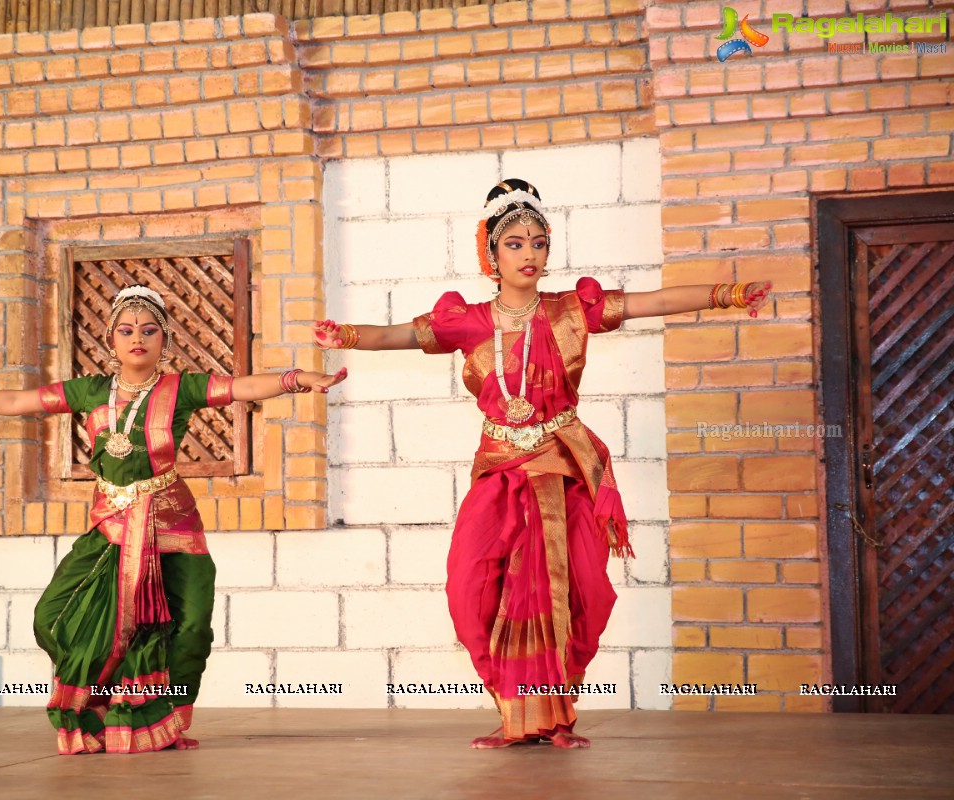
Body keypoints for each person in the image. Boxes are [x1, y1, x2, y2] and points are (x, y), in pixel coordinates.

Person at [315, 179, 771, 749]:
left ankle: (553, 720)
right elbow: (404, 334)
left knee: (574, 588)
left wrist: (724, 295)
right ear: (490, 253)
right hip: (501, 471)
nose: (529, 254)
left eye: (538, 242)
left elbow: (652, 302)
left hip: (562, 466)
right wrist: (349, 336)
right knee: (471, 587)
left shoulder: (571, 311)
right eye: (514, 244)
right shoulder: (471, 320)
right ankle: (515, 713)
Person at [0, 285, 347, 754]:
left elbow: (245, 387)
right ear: (111, 340)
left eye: (150, 331)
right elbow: (17, 402)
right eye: (128, 330)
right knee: (55, 616)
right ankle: (96, 709)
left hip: (171, 523)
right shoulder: (89, 391)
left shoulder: (182, 389)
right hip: (112, 524)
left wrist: (298, 380)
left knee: (190, 626)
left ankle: (162, 722)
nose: (139, 338)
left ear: (164, 342)